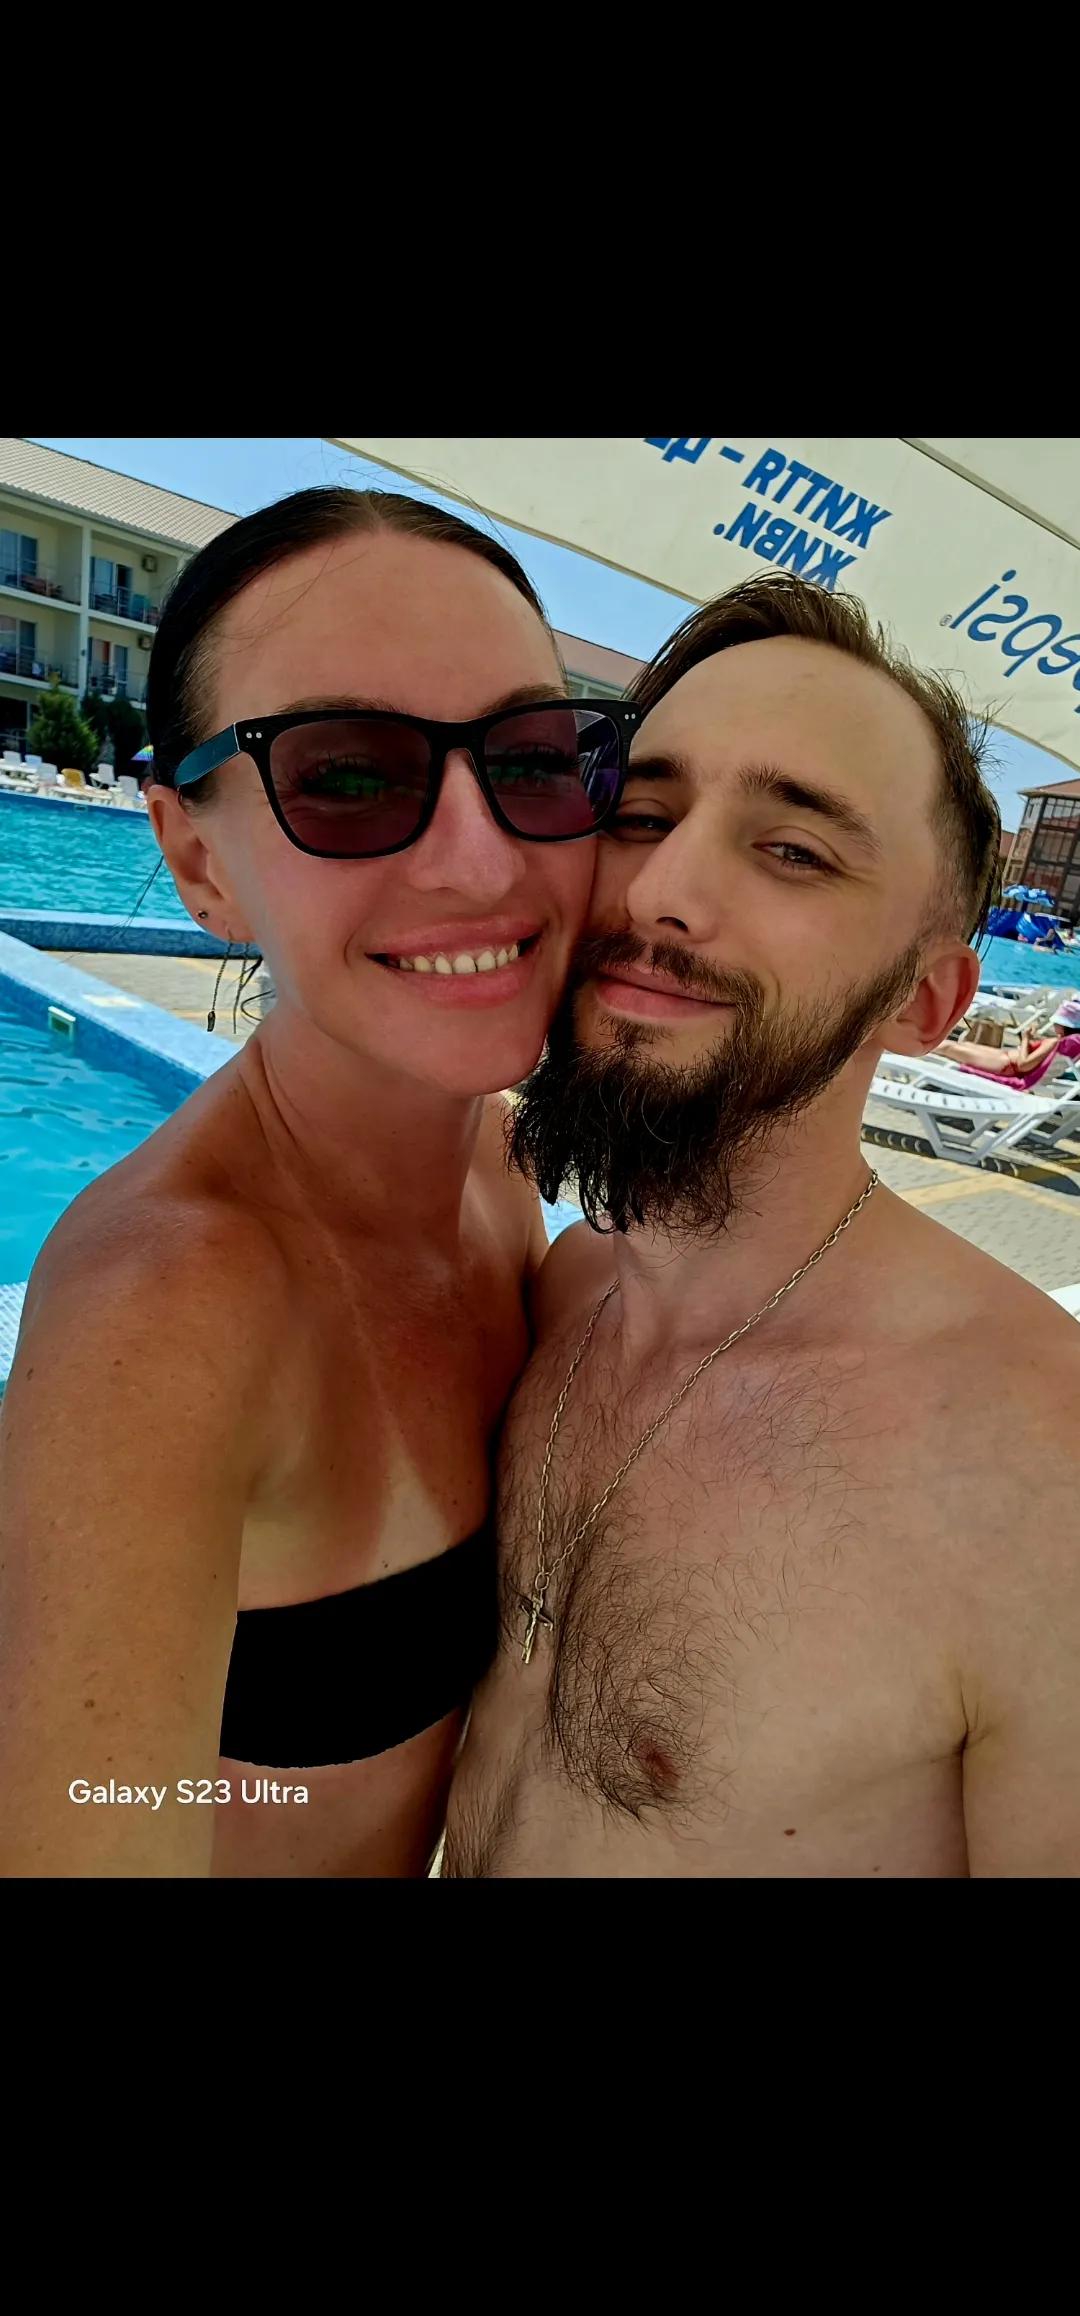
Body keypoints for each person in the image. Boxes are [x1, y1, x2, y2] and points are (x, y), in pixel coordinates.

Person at [0, 486, 638, 1878]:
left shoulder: (491, 1172)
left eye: (532, 758)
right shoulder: (168, 1306)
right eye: (349, 776)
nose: (482, 858)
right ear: (197, 862)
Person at [443, 571, 1080, 1880]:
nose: (659, 893)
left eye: (794, 851)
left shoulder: (1037, 1472)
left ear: (925, 1002)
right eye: (643, 816)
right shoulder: (561, 1296)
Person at [934, 996, 1080, 1091]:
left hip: (1007, 1064)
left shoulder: (1054, 1042)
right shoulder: (1067, 1043)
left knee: (949, 1047)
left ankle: (920, 1049)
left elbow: (1024, 1065)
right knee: (964, 1046)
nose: (1053, 1024)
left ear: (1064, 1025)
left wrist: (1025, 1039)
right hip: (1005, 1059)